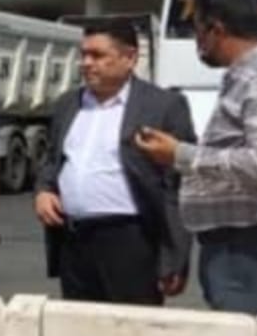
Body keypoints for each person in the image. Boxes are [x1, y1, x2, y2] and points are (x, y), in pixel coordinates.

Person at [135, 0, 257, 315]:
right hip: (242, 250)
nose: (197, 43)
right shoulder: (247, 77)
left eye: (197, 32)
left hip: (255, 252)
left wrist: (180, 154)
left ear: (216, 29)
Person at [34, 18, 195, 305]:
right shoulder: (68, 105)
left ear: (129, 58)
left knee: (132, 327)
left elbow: (179, 188)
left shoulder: (163, 106)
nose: (86, 63)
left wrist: (175, 256)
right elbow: (52, 160)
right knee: (79, 326)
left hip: (131, 242)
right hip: (75, 241)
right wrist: (44, 190)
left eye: (98, 55)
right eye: (83, 54)